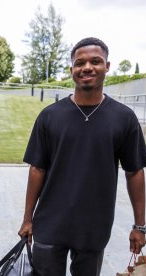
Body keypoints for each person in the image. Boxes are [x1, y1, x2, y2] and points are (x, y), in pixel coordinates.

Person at [18, 37, 146, 275]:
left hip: (94, 227)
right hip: (50, 223)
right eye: (80, 63)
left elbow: (135, 171)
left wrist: (140, 226)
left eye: (95, 61)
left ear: (107, 66)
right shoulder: (49, 116)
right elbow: (37, 169)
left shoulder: (124, 118)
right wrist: (28, 219)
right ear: (72, 70)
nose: (87, 67)